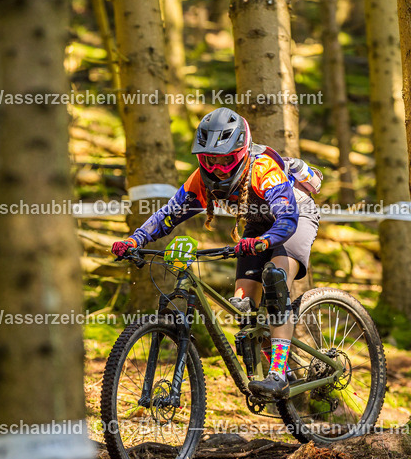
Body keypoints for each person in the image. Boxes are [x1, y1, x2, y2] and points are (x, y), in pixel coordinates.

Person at [111, 107, 321, 399]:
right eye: (209, 160)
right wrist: (135, 240)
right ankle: (263, 365)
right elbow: (169, 214)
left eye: (224, 160)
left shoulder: (262, 170)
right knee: (243, 303)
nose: (218, 168)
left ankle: (279, 374)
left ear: (240, 152)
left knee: (275, 279)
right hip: (258, 223)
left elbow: (286, 219)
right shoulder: (200, 179)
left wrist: (264, 241)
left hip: (294, 216)